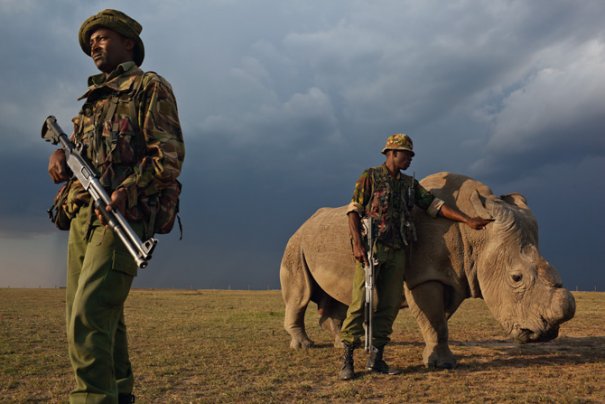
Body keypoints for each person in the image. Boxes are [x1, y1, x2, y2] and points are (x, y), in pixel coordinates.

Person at [47, 9, 185, 403]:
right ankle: (120, 394)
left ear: (129, 44)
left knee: (89, 314)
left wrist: (128, 189)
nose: (95, 44)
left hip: (123, 213)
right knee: (97, 314)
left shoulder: (148, 86)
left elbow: (169, 157)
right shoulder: (92, 101)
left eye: (103, 37)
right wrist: (59, 155)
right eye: (91, 41)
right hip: (82, 215)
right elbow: (81, 152)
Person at [339, 133, 491, 380]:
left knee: (388, 307)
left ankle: (376, 360)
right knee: (360, 304)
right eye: (406, 154)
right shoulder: (370, 177)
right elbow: (353, 212)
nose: (410, 159)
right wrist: (357, 245)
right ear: (392, 153)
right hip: (372, 249)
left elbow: (435, 205)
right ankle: (347, 360)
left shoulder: (410, 185)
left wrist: (468, 220)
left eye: (411, 155)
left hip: (398, 251)